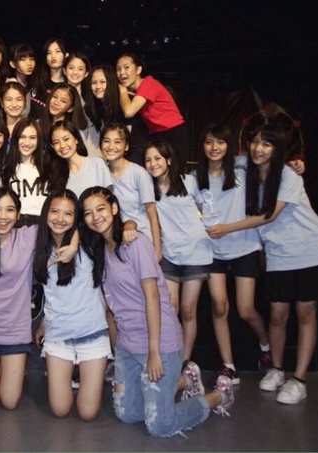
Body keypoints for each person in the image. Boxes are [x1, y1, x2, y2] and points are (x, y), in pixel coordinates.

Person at [78, 186, 234, 437]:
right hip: (127, 345)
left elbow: (152, 297)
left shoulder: (135, 243)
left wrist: (154, 351)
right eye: (88, 213)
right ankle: (184, 380)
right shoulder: (100, 249)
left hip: (158, 343)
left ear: (114, 208)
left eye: (101, 209)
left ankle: (219, 395)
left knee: (159, 425)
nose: (95, 217)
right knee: (127, 414)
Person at [242, 124, 318, 404]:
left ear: (277, 150)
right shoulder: (246, 172)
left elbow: (270, 215)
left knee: (305, 313)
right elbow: (222, 159)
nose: (258, 149)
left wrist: (226, 229)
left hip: (308, 248)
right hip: (278, 253)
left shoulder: (287, 175)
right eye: (255, 142)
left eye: (266, 144)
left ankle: (299, 380)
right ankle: (276, 369)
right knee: (277, 315)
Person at [0, 187, 77, 410]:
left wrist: (74, 245)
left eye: (10, 210)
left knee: (10, 402)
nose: (3, 216)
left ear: (18, 214)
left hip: (14, 331)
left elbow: (64, 223)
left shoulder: (28, 237)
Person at [193, 123, 271, 384]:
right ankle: (228, 366)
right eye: (208, 142)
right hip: (212, 250)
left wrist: (296, 163)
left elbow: (268, 159)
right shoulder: (194, 178)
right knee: (219, 305)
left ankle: (265, 346)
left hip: (244, 246)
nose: (214, 147)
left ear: (229, 145)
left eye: (220, 141)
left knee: (246, 309)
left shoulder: (242, 168)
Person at [33, 190, 110, 421]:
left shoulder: (89, 241)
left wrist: (75, 242)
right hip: (58, 336)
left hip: (92, 334)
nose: (60, 218)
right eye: (54, 211)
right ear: (45, 213)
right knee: (60, 410)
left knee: (88, 414)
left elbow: (113, 224)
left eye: (68, 214)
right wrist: (44, 321)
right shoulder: (38, 246)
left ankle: (90, 375)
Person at [143, 140, 212, 365]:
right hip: (169, 255)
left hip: (196, 254)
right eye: (148, 160)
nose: (153, 164)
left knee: (188, 309)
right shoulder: (148, 189)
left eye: (157, 158)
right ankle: (171, 356)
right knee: (170, 309)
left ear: (169, 160)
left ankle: (185, 361)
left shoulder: (189, 181)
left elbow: (205, 208)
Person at [101, 123, 161, 261]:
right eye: (106, 141)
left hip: (140, 238)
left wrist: (157, 251)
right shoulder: (101, 171)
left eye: (117, 142)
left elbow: (152, 215)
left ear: (126, 146)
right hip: (115, 242)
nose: (111, 146)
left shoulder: (138, 173)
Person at [116, 53, 188, 164]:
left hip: (173, 133)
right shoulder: (136, 91)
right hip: (158, 135)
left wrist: (122, 91)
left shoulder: (148, 83)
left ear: (138, 70)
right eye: (118, 69)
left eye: (126, 67)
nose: (121, 72)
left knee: (173, 171)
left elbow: (129, 112)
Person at [45, 120, 112, 198]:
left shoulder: (96, 163)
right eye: (56, 142)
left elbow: (109, 196)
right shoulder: (56, 175)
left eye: (66, 139)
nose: (62, 145)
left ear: (76, 139)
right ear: (52, 147)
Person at [1, 117, 49, 227]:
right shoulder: (6, 169)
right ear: (15, 139)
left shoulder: (48, 168)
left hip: (43, 223)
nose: (27, 143)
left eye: (32, 138)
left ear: (39, 141)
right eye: (22, 137)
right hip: (17, 223)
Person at [29, 38, 68, 120]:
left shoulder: (67, 86)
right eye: (49, 53)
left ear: (66, 55)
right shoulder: (36, 78)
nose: (53, 56)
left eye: (57, 51)